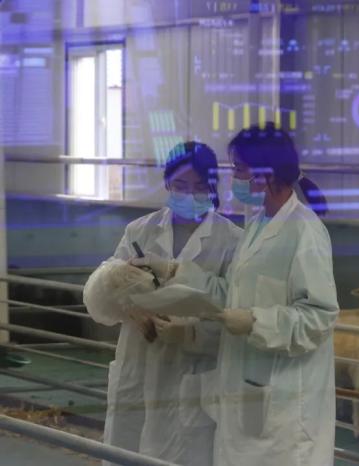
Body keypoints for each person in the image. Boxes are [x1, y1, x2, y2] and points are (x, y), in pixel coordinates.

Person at [132, 123, 339, 466]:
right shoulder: (257, 225)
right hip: (246, 392)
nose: (234, 178)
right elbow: (231, 294)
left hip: (284, 404)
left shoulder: (305, 232)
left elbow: (319, 316)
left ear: (264, 172)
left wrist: (257, 322)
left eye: (239, 169)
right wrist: (175, 272)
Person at [84, 141, 242, 466]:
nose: (189, 194)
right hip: (138, 363)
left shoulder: (231, 241)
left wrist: (190, 333)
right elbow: (105, 294)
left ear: (213, 186)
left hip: (192, 372)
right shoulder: (140, 231)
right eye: (180, 185)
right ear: (167, 183)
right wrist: (130, 308)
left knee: (184, 454)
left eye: (199, 186)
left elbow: (233, 311)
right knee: (126, 450)